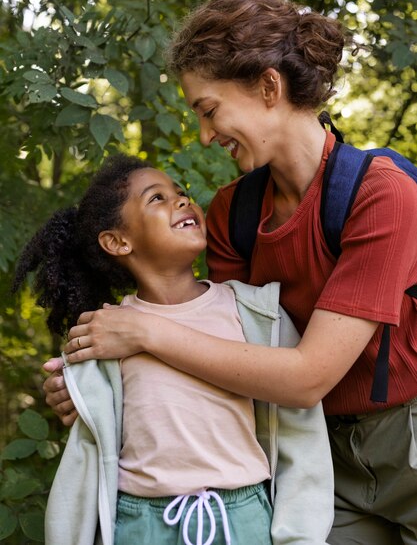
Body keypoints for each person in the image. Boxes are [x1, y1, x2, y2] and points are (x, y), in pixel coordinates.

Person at [43, 0, 417, 544]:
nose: (205, 135)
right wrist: (98, 391)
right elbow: (216, 348)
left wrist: (143, 330)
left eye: (209, 110)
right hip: (315, 458)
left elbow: (307, 377)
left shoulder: (382, 194)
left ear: (269, 87)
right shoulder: (232, 212)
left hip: (404, 438)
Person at [14, 153, 334, 545]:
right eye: (157, 198)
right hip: (139, 523)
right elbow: (85, 441)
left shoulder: (256, 313)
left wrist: (301, 535)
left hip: (244, 518)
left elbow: (301, 437)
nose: (182, 200)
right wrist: (73, 388)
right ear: (118, 241)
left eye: (180, 193)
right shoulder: (104, 331)